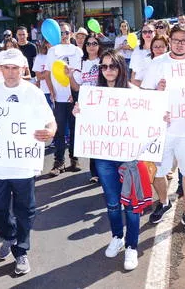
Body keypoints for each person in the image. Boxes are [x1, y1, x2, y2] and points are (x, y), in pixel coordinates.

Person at [73, 49, 160, 270]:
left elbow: (153, 116)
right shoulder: (93, 93)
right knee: (112, 203)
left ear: (121, 68)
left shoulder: (134, 92)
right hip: (104, 158)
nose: (108, 70)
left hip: (129, 158)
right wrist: (78, 111)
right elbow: (87, 119)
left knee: (131, 205)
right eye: (104, 66)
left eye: (113, 66)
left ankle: (131, 246)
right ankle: (117, 237)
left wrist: (162, 115)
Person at [0, 48, 56, 275]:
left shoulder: (32, 93)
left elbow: (50, 122)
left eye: (15, 68)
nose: (11, 73)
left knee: (25, 210)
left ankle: (21, 251)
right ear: (0, 69)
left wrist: (50, 132)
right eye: (7, 68)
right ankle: (8, 235)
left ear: (23, 69)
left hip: (23, 165)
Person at [140, 23, 185, 234]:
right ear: (170, 40)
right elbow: (143, 93)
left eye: (184, 41)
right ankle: (163, 201)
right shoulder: (157, 63)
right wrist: (157, 93)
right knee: (157, 171)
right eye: (176, 40)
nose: (179, 44)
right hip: (162, 129)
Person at [44, 22, 84, 176]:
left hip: (74, 97)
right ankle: (58, 162)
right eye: (61, 33)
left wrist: (75, 94)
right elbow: (47, 73)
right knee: (59, 131)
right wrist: (52, 92)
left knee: (75, 130)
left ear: (71, 34)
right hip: (59, 98)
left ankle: (74, 159)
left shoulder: (78, 51)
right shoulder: (52, 51)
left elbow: (80, 73)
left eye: (66, 32)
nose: (64, 35)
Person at [68, 34, 102, 184]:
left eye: (95, 43)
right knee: (93, 140)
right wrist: (70, 76)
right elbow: (77, 87)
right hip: (88, 107)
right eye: (88, 44)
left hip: (104, 105)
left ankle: (107, 170)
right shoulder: (82, 64)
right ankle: (95, 172)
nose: (91, 46)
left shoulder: (104, 61)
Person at [32, 41, 53, 109]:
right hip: (45, 91)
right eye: (50, 42)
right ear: (46, 43)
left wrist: (46, 73)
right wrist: (50, 72)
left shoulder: (60, 56)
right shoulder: (40, 57)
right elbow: (39, 76)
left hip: (60, 92)